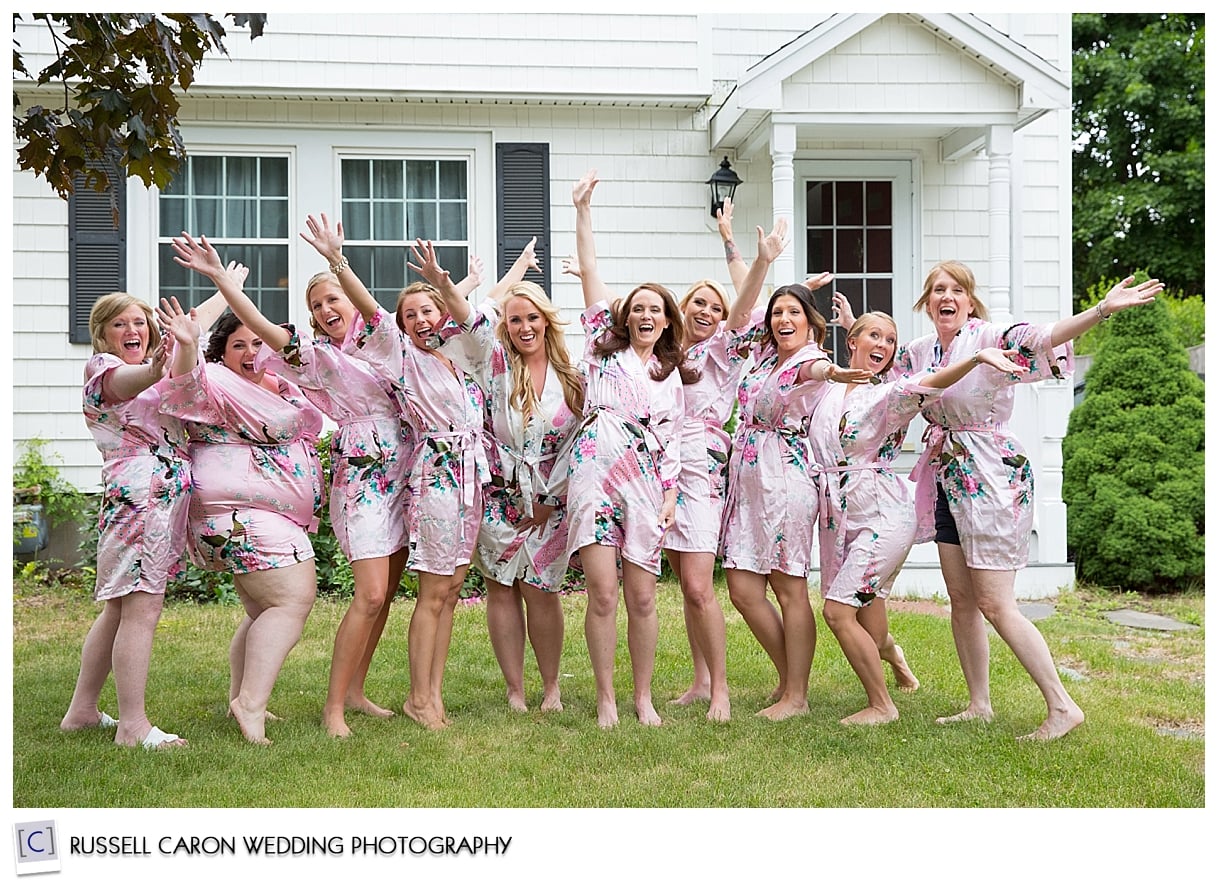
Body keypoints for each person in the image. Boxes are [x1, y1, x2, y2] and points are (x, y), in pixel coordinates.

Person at [891, 261, 1161, 740]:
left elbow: (1046, 336)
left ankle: (1062, 706)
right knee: (961, 600)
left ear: (969, 302)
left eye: (956, 289)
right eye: (936, 290)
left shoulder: (993, 337)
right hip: (946, 474)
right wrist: (852, 329)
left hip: (992, 479)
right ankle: (979, 704)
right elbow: (887, 377)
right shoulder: (920, 351)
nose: (945, 296)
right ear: (927, 303)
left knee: (996, 603)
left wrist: (1100, 310)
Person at [177, 225, 413, 738]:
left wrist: (339, 262)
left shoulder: (385, 344)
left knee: (387, 592)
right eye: (317, 304)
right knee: (370, 594)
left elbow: (444, 315)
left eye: (333, 299)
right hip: (366, 473)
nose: (327, 309)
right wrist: (224, 285)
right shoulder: (317, 358)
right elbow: (263, 327)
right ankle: (333, 710)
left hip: (406, 471)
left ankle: (355, 692)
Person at [810, 303, 1028, 724]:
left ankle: (881, 706)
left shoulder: (889, 394)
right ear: (851, 342)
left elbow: (929, 383)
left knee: (839, 611)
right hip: (838, 513)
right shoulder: (831, 389)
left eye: (891, 340)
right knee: (867, 613)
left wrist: (975, 357)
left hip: (883, 514)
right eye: (874, 336)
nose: (885, 344)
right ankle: (895, 658)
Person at [158, 247, 326, 746]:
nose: (252, 353)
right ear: (221, 353)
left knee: (260, 611)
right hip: (240, 514)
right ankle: (250, 704)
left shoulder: (283, 386)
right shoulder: (214, 383)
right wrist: (188, 341)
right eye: (239, 346)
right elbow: (183, 379)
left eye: (258, 344)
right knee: (294, 599)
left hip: (258, 516)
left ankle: (243, 696)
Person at [335, 220, 486, 731]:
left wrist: (448, 284)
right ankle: (419, 696)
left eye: (429, 312)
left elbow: (475, 320)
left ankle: (432, 693)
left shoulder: (460, 358)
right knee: (432, 590)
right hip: (437, 474)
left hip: (470, 476)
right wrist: (339, 263)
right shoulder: (400, 357)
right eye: (411, 315)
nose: (420, 320)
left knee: (451, 590)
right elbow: (371, 312)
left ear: (442, 316)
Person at [658, 204, 790, 723]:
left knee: (698, 583)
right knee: (682, 579)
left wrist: (754, 260)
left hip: (703, 464)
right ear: (683, 307)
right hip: (662, 466)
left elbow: (743, 309)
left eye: (715, 306)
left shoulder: (725, 352)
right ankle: (700, 680)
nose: (708, 311)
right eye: (699, 302)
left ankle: (722, 692)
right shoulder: (663, 354)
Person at [59, 291, 208, 749]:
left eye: (140, 323)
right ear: (102, 334)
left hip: (151, 497)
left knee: (121, 607)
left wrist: (224, 287)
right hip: (142, 498)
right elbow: (136, 380)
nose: (133, 331)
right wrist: (156, 367)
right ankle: (133, 725)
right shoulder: (104, 370)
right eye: (121, 324)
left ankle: (82, 712)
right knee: (142, 606)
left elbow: (188, 326)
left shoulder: (151, 365)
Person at [720, 282, 874, 720]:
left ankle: (797, 697)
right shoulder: (766, 355)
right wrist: (788, 282)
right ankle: (788, 679)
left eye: (794, 313)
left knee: (788, 586)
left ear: (810, 322)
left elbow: (816, 373)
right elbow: (739, 316)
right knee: (743, 588)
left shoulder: (811, 358)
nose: (784, 320)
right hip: (748, 478)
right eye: (777, 313)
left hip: (785, 478)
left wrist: (835, 373)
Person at [569, 169, 688, 728]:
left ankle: (643, 697)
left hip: (645, 482)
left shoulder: (671, 375)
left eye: (655, 310)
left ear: (666, 322)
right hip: (594, 473)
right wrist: (582, 210)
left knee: (642, 595)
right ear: (625, 316)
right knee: (602, 593)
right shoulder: (601, 347)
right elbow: (590, 272)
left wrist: (670, 496)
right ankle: (606, 698)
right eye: (637, 307)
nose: (645, 315)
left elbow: (674, 442)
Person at [453, 237, 585, 712]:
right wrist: (505, 274)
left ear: (547, 321)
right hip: (500, 495)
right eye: (515, 319)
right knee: (502, 588)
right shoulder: (493, 366)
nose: (525, 326)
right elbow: (468, 317)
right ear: (505, 326)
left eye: (533, 317)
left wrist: (554, 497)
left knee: (542, 589)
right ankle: (514, 689)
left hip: (551, 498)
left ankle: (551, 688)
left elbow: (580, 443)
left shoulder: (574, 375)